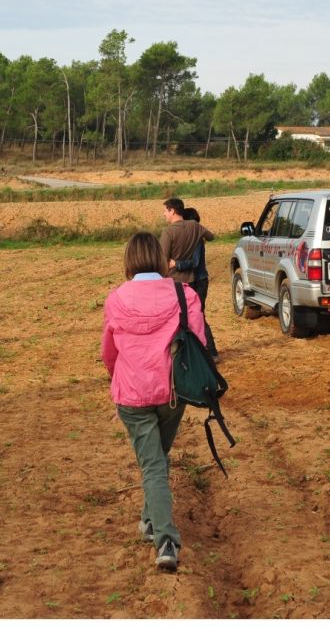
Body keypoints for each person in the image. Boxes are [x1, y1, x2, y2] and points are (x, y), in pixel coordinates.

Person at [101, 232, 207, 573]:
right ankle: (150, 522)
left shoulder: (116, 297)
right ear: (160, 260)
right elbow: (200, 341)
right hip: (173, 392)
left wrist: (114, 374)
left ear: (129, 260)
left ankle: (165, 541)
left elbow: (109, 350)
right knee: (157, 459)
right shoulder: (184, 293)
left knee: (152, 464)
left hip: (132, 394)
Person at [173, 206, 219, 361]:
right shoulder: (193, 237)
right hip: (196, 280)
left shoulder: (197, 239)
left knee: (199, 315)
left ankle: (211, 352)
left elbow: (195, 262)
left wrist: (176, 264)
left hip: (199, 281)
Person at [159, 197, 215, 287]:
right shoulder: (195, 225)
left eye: (165, 211)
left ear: (172, 211)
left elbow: (162, 259)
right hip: (191, 279)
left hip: (174, 280)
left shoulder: (168, 231)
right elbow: (211, 237)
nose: (164, 213)